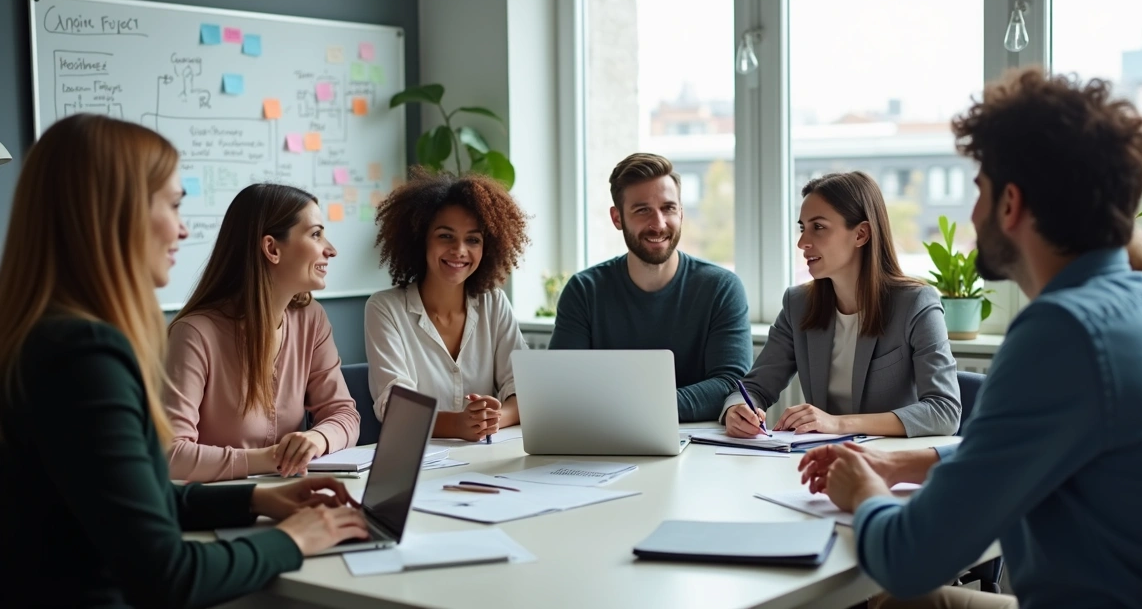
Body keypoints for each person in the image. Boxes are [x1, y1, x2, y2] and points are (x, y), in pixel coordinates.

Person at [800, 67, 1142, 609]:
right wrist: (904, 463)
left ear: (1011, 204)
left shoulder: (1064, 332)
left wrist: (864, 494)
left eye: (979, 190)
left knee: (882, 599)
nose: (972, 213)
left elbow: (908, 560)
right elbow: (1023, 451)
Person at [0, 115, 367, 608]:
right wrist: (295, 540)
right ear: (113, 212)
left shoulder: (48, 338)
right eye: (173, 205)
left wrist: (256, 498)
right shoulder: (83, 356)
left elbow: (140, 499)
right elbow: (167, 574)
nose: (184, 227)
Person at [724, 172, 961, 439]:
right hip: (820, 462)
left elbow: (944, 411)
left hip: (890, 465)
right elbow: (754, 386)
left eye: (819, 227)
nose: (802, 243)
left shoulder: (916, 304)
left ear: (860, 234)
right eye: (803, 228)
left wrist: (838, 423)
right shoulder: (797, 304)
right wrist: (739, 409)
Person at [164, 184, 360, 482]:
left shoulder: (311, 319)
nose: (330, 250)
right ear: (271, 248)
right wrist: (271, 459)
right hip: (220, 506)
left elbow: (345, 414)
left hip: (289, 494)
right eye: (316, 234)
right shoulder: (194, 334)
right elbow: (171, 455)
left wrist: (317, 439)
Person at [548, 153, 752, 422]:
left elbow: (730, 383)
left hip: (698, 444)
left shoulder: (721, 288)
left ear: (681, 211)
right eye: (642, 210)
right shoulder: (584, 291)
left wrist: (637, 408)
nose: (658, 224)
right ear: (617, 218)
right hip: (607, 440)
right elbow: (563, 384)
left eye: (668, 208)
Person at [365, 168, 530, 441]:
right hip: (416, 462)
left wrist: (493, 419)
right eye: (445, 236)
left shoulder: (494, 302)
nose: (459, 250)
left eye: (473, 240)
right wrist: (458, 425)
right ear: (421, 240)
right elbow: (394, 407)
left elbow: (524, 387)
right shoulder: (384, 308)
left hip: (486, 456)